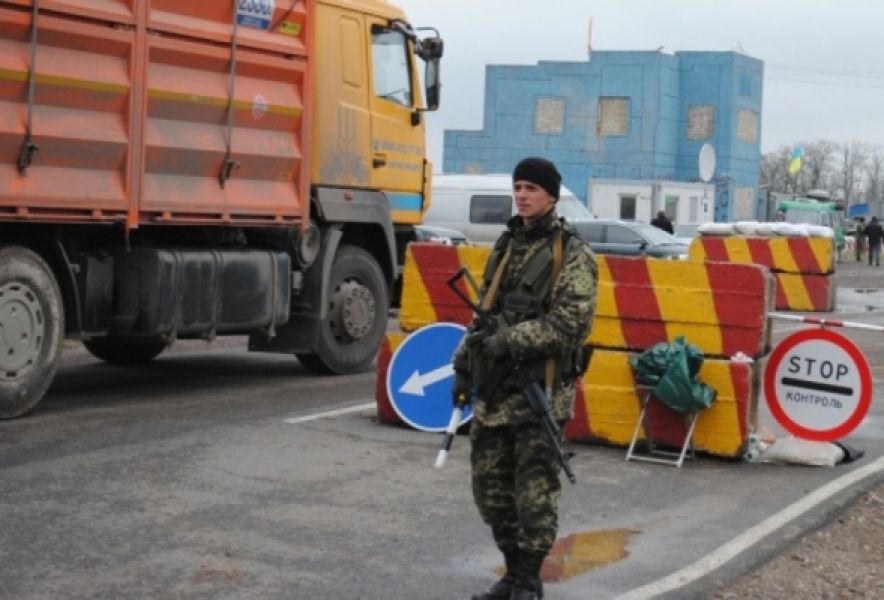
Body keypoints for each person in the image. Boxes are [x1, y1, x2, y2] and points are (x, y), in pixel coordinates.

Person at [451, 157, 598, 600]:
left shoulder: (571, 252)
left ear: (551, 195)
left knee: (534, 494)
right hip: (495, 390)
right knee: (491, 492)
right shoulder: (507, 245)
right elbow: (484, 314)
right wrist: (463, 366)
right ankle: (513, 574)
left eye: (532, 188)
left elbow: (572, 322)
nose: (522, 195)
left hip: (539, 392)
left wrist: (511, 340)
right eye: (518, 187)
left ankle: (529, 580)